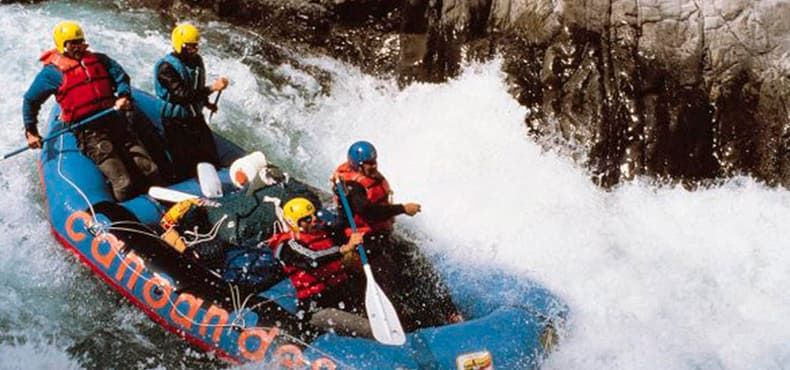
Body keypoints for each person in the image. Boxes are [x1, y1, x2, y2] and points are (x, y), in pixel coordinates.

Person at [22, 21, 161, 201]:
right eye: (72, 43)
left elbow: (121, 77)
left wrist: (123, 95)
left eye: (80, 42)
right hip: (88, 132)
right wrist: (31, 132)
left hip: (114, 121)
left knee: (151, 169)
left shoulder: (100, 60)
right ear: (62, 45)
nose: (78, 47)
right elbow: (30, 100)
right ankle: (126, 214)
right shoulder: (51, 74)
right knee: (123, 182)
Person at [154, 23, 228, 181]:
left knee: (210, 155)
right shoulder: (166, 68)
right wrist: (212, 88)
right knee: (183, 163)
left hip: (194, 118)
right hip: (175, 121)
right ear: (179, 45)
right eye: (189, 47)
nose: (193, 50)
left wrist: (206, 103)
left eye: (195, 46)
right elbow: (182, 95)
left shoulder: (196, 61)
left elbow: (196, 86)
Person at [267, 197, 366, 313]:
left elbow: (342, 222)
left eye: (314, 215)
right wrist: (344, 249)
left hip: (342, 291)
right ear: (294, 223)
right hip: (318, 301)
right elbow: (312, 260)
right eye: (307, 219)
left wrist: (342, 198)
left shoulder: (322, 231)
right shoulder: (287, 245)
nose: (314, 219)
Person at [330, 140, 421, 233]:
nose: (374, 166)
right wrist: (402, 209)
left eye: (374, 161)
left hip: (379, 225)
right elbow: (369, 212)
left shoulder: (368, 174)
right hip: (361, 233)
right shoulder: (351, 186)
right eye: (369, 163)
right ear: (357, 165)